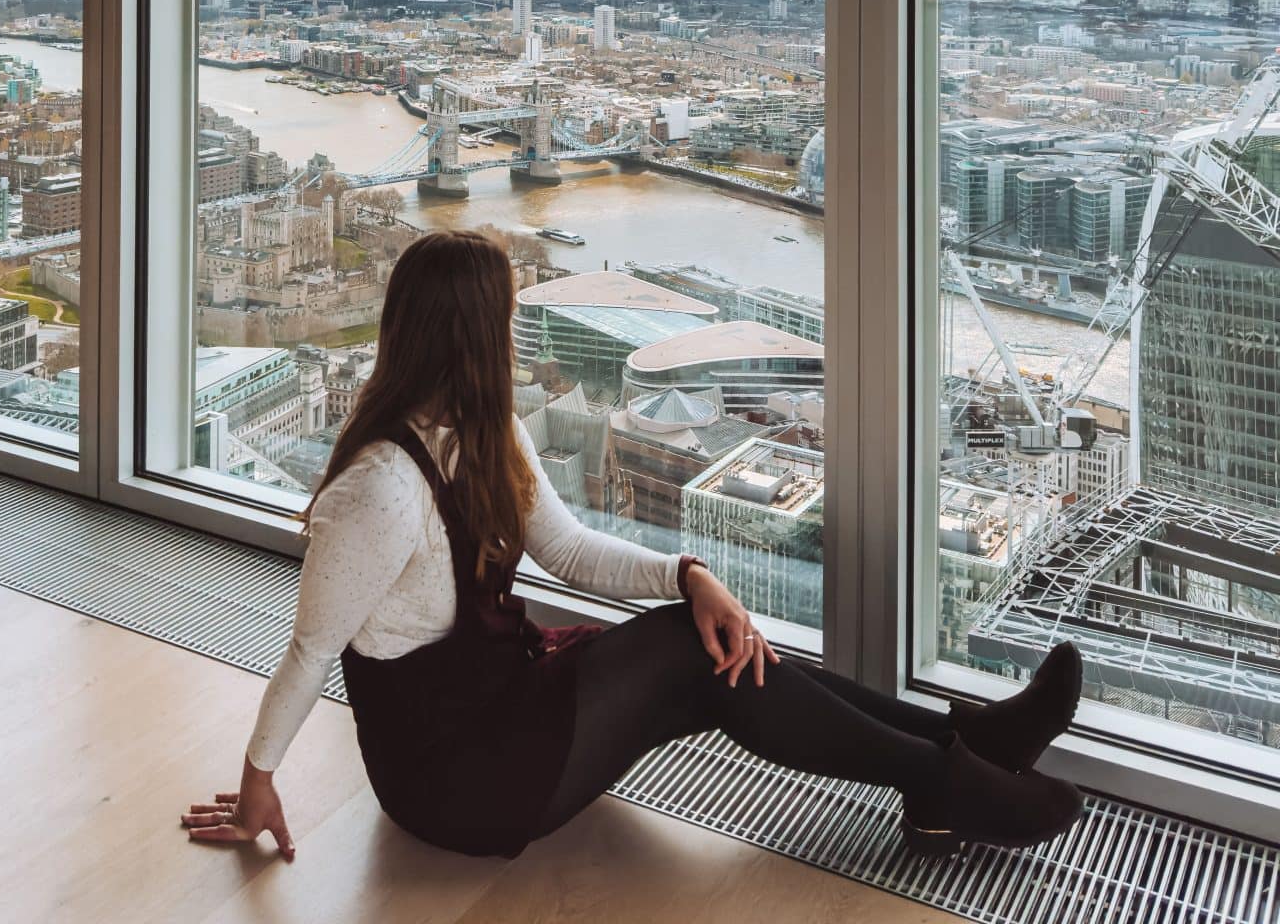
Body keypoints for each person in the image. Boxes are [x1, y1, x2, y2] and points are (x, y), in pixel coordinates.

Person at [182, 231, 1084, 863]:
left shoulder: (482, 430)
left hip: (499, 709)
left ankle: (962, 747)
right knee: (689, 649)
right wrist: (258, 780)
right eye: (502, 318)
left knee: (700, 642)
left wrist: (690, 575)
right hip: (452, 779)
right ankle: (945, 775)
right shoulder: (379, 488)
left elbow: (570, 552)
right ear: (469, 335)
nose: (511, 336)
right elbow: (308, 651)